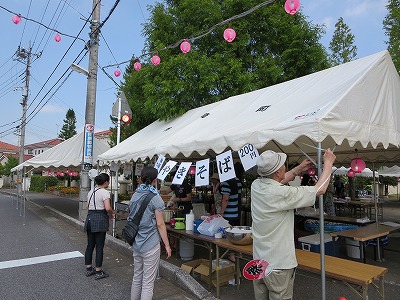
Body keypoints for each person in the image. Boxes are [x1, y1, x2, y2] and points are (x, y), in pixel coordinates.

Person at [251, 149, 336, 300]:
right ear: (278, 171)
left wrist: (298, 169)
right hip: (278, 265)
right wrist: (328, 163)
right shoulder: (281, 193)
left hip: (258, 260)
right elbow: (320, 189)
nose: (285, 166)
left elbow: (279, 181)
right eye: (283, 164)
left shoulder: (256, 185)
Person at [129, 166, 172, 300]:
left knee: (137, 277)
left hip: (136, 242)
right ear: (155, 180)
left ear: (141, 179)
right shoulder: (156, 198)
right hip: (151, 244)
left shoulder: (135, 194)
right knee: (148, 283)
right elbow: (160, 224)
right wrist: (167, 245)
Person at [84, 173, 114, 280]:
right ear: (106, 182)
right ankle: (98, 271)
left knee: (90, 245)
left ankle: (88, 268)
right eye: (108, 181)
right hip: (100, 219)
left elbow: (87, 206)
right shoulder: (105, 192)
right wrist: (112, 213)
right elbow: (107, 208)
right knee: (99, 246)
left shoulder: (90, 192)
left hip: (90, 219)